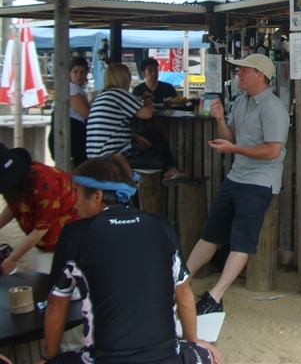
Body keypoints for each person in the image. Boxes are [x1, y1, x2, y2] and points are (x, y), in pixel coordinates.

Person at [40, 155, 219, 364]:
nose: (74, 204)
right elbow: (183, 292)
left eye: (77, 193)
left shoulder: (75, 234)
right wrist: (192, 342)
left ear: (97, 195)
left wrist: (49, 358)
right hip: (167, 358)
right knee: (208, 355)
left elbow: (56, 306)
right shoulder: (160, 226)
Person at [186, 54, 289, 315]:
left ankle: (215, 296)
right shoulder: (241, 102)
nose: (238, 74)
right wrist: (220, 120)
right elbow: (231, 138)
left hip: (260, 181)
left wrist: (235, 149)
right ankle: (180, 282)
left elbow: (273, 151)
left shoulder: (273, 107)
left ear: (260, 74)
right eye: (239, 70)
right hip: (236, 176)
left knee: (242, 239)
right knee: (211, 232)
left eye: (244, 70)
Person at [85, 63, 179, 178]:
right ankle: (169, 168)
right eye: (129, 76)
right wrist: (148, 98)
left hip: (94, 157)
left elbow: (111, 128)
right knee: (155, 139)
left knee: (149, 135)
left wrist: (133, 136)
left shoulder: (100, 96)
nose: (130, 80)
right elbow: (147, 114)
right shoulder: (120, 94)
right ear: (122, 78)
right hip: (112, 157)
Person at [0, 144, 78, 275]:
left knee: (54, 278)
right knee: (44, 278)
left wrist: (12, 259)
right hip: (45, 238)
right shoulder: (17, 184)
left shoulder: (44, 185)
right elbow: (14, 206)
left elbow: (41, 229)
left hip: (68, 232)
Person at [47, 56, 91, 166]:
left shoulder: (76, 89)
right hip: (68, 140)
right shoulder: (71, 89)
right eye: (75, 72)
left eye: (82, 72)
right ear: (69, 73)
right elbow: (88, 114)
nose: (79, 75)